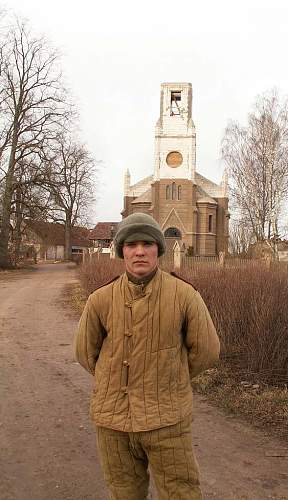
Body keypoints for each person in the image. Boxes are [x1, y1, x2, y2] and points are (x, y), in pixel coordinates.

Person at [74, 212, 220, 500]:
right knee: (124, 493)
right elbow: (85, 353)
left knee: (181, 493)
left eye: (147, 244)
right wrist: (113, 378)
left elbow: (206, 350)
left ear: (158, 249)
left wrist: (169, 376)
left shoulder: (184, 295)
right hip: (113, 423)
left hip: (168, 422)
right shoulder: (100, 300)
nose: (139, 251)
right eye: (131, 245)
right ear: (121, 251)